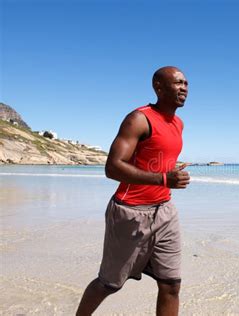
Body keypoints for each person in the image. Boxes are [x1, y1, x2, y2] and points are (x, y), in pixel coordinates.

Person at [76, 66, 190, 316]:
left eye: (186, 84)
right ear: (158, 87)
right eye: (178, 83)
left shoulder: (178, 123)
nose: (184, 88)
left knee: (171, 284)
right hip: (130, 212)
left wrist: (168, 172)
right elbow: (113, 167)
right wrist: (162, 178)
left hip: (165, 211)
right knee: (109, 283)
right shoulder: (139, 118)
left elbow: (154, 157)